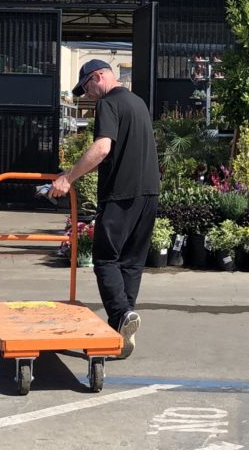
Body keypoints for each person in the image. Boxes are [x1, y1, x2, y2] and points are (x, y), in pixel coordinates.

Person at [51, 59, 160, 359]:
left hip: (121, 193)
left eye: (87, 86)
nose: (87, 94)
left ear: (99, 76)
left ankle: (121, 315)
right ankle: (122, 328)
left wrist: (67, 178)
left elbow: (102, 148)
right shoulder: (137, 103)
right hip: (149, 193)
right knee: (131, 262)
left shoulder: (109, 103)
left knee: (105, 258)